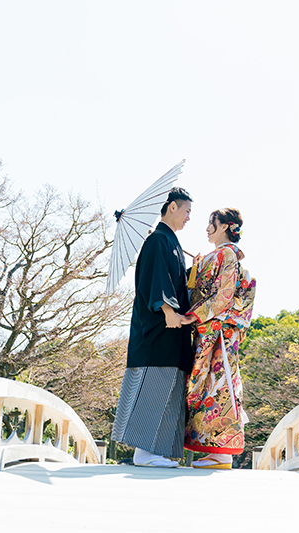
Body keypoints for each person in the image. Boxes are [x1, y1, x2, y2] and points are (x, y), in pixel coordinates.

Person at [111, 187, 194, 467]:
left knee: (168, 388)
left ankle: (154, 452)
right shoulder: (157, 240)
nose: (188, 217)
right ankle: (144, 453)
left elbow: (178, 281)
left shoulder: (169, 241)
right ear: (172, 207)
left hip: (171, 333)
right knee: (154, 386)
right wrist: (168, 310)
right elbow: (156, 280)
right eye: (187, 211)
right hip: (157, 330)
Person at [182, 208, 256, 469]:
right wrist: (197, 267)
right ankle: (215, 451)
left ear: (225, 226)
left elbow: (223, 295)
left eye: (211, 223)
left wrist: (193, 315)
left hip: (217, 333)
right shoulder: (220, 255)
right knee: (212, 387)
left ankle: (222, 453)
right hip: (212, 331)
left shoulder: (226, 254)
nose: (207, 228)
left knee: (218, 386)